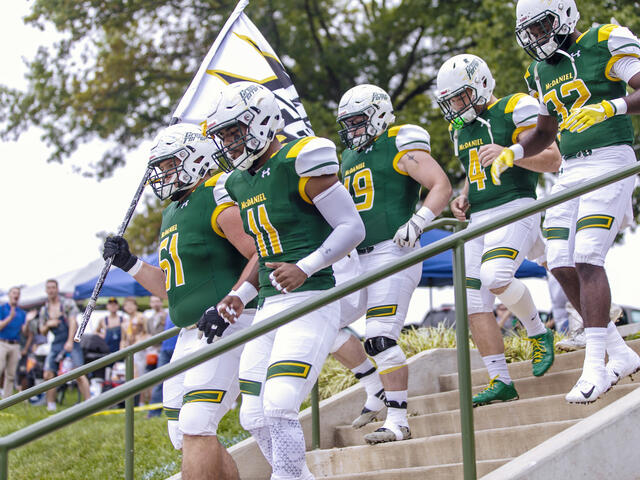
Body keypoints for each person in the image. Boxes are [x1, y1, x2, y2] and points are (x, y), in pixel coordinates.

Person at [206, 81, 365, 480]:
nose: (229, 143)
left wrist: (306, 266)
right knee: (253, 414)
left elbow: (352, 226)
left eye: (234, 132)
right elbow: (264, 247)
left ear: (261, 122)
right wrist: (241, 293)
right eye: (223, 135)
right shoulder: (237, 182)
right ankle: (297, 476)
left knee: (278, 404)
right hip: (271, 302)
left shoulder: (301, 158)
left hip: (312, 297)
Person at [491, 0, 640, 403]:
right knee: (558, 261)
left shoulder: (604, 40)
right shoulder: (540, 70)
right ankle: (620, 353)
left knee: (589, 256)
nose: (537, 38)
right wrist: (514, 152)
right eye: (531, 32)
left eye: (543, 27)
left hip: (611, 158)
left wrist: (612, 105)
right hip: (571, 169)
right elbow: (544, 131)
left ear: (565, 15)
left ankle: (595, 365)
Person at [103, 122, 258, 480]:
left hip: (228, 321)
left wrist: (232, 300)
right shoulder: (175, 209)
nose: (163, 175)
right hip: (191, 330)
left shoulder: (214, 193)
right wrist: (130, 263)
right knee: (182, 430)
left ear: (195, 159)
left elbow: (260, 252)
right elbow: (172, 289)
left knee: (196, 421)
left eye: (170, 165)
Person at [435, 53, 561, 407]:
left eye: (460, 97)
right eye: (450, 101)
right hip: (480, 218)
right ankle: (500, 380)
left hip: (516, 206)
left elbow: (553, 157)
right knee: (472, 299)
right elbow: (478, 170)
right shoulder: (460, 128)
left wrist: (511, 153)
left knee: (496, 274)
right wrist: (463, 196)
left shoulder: (514, 107)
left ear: (482, 84)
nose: (456, 107)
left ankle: (538, 333)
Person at [332, 84, 452, 443]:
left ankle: (398, 421)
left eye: (358, 121)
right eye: (348, 124)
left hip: (392, 253)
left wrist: (418, 222)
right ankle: (374, 388)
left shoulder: (399, 142)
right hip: (356, 258)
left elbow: (441, 185)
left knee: (380, 337)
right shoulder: (350, 158)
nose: (352, 130)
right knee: (322, 325)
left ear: (379, 115)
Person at [39, 279, 90, 411]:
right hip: (56, 343)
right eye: (48, 288)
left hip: (71, 340)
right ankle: (51, 405)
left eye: (53, 287)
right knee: (48, 374)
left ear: (57, 289)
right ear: (46, 290)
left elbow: (73, 321)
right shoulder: (44, 310)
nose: (51, 290)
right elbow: (42, 331)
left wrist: (69, 341)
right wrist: (48, 325)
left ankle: (89, 404)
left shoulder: (66, 303)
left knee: (79, 373)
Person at [147, 314, 177, 418]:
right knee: (159, 381)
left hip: (179, 347)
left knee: (179, 381)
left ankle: (178, 411)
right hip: (165, 349)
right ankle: (153, 412)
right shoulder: (168, 313)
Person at [0, 287, 26, 398]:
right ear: (9, 295)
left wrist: (29, 322)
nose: (16, 295)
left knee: (10, 374)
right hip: (2, 343)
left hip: (15, 345)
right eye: (14, 293)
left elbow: (24, 331)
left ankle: (6, 400)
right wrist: (10, 318)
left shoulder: (22, 313)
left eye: (18, 293)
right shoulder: (2, 309)